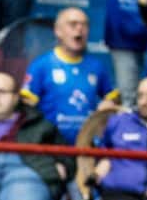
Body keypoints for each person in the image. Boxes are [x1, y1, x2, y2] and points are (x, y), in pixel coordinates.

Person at [23, 8, 114, 146]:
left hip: (86, 148)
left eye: (84, 25)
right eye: (73, 24)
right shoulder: (41, 65)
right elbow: (26, 107)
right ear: (58, 31)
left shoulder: (97, 66)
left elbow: (113, 100)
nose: (79, 29)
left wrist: (108, 107)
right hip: (50, 147)